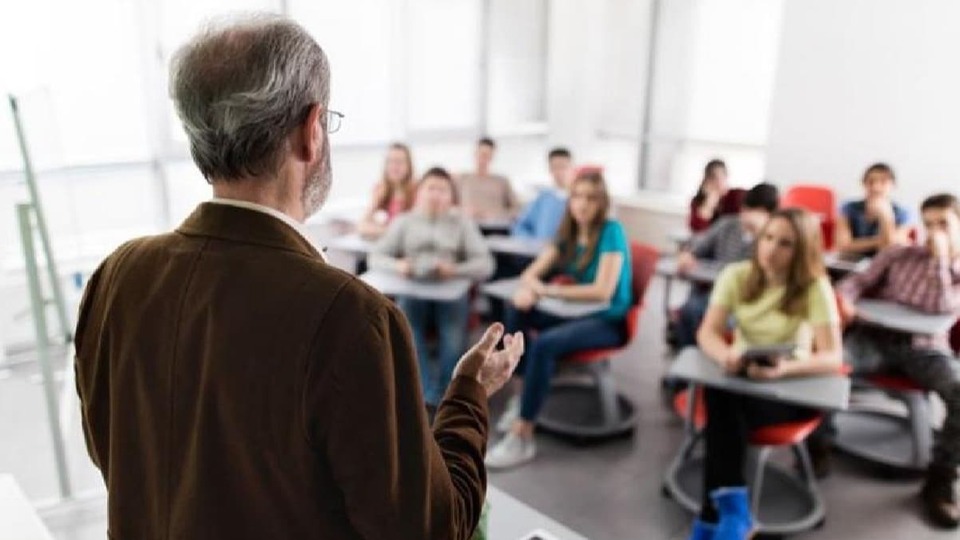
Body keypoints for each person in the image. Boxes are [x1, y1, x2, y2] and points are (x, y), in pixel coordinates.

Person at [73, 16, 524, 539]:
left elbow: (118, 456)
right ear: (311, 132)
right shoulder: (352, 318)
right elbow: (431, 530)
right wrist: (469, 391)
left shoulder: (116, 277)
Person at [689, 208, 843, 539]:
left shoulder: (816, 286)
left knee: (721, 410)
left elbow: (832, 356)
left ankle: (711, 517)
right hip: (742, 377)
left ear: (801, 251)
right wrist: (726, 354)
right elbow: (707, 333)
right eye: (768, 238)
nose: (771, 249)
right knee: (722, 396)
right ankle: (733, 514)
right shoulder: (736, 274)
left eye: (785, 244)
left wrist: (784, 368)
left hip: (790, 387)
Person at [485, 170, 633, 469]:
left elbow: (602, 291)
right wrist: (529, 290)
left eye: (591, 198)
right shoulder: (567, 232)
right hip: (572, 313)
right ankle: (520, 396)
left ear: (601, 202)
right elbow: (531, 273)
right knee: (516, 308)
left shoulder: (611, 231)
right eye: (577, 196)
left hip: (608, 321)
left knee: (545, 345)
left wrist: (547, 290)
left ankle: (522, 435)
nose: (582, 204)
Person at [837, 193, 960, 529]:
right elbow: (855, 281)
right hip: (874, 339)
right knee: (829, 365)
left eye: (943, 224)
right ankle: (820, 443)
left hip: (924, 348)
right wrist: (846, 301)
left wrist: (940, 258)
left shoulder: (956, 269)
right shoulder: (899, 254)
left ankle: (940, 480)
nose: (934, 231)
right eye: (929, 223)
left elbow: (943, 307)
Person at [369, 167, 496, 406]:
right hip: (412, 287)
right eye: (430, 188)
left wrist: (455, 270)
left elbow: (485, 263)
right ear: (419, 192)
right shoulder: (404, 221)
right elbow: (375, 257)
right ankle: (427, 393)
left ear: (451, 196)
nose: (436, 194)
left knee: (452, 335)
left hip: (450, 290)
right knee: (407, 330)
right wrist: (399, 266)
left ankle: (450, 392)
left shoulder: (462, 223)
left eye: (442, 190)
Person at [673, 183, 780, 348]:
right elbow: (698, 246)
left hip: (744, 299)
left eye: (756, 212)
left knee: (728, 323)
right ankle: (688, 357)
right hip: (711, 290)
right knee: (690, 311)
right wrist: (688, 255)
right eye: (746, 210)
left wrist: (760, 235)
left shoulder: (773, 238)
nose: (747, 217)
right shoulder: (727, 224)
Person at [834, 162, 911, 256]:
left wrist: (885, 216)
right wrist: (881, 240)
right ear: (863, 184)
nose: (876, 187)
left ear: (893, 185)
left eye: (883, 182)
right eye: (870, 182)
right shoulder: (849, 208)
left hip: (885, 263)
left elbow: (891, 249)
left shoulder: (901, 213)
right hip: (854, 260)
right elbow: (843, 246)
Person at [511, 147, 574, 240]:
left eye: (563, 167)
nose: (559, 172)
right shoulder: (543, 198)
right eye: (554, 167)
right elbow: (520, 227)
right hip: (540, 250)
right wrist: (532, 243)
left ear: (571, 167)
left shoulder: (579, 197)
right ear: (550, 169)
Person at [357, 142, 416, 239]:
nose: (394, 166)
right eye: (390, 161)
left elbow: (411, 230)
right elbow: (362, 226)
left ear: (409, 165)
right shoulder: (381, 189)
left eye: (399, 162)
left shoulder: (417, 190)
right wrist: (376, 200)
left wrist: (382, 229)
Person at [457, 137, 520, 223]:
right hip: (468, 225)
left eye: (487, 156)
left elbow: (517, 210)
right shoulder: (462, 179)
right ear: (475, 154)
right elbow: (448, 207)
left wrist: (496, 215)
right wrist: (464, 211)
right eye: (481, 154)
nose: (483, 160)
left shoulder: (502, 181)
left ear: (492, 157)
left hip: (494, 227)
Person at [689, 159, 742, 232]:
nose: (716, 183)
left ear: (726, 177)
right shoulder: (698, 200)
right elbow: (697, 231)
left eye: (719, 178)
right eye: (712, 179)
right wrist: (708, 205)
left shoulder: (737, 195)